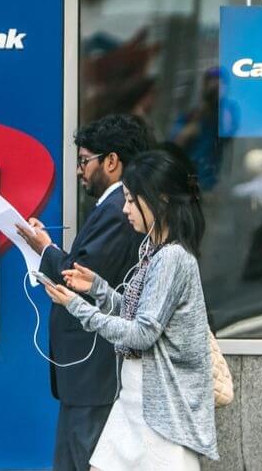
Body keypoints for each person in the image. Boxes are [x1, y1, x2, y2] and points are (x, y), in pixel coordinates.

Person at [42, 149, 219, 469]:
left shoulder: (170, 258)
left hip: (157, 412)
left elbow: (142, 332)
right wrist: (98, 288)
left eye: (130, 199)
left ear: (158, 200)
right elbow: (140, 314)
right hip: (140, 403)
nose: (125, 209)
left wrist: (77, 307)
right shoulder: (155, 251)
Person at [16, 114, 151, 471]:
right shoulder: (114, 207)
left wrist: (44, 248)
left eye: (83, 161)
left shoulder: (115, 209)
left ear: (111, 161)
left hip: (94, 367)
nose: (79, 170)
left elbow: (83, 276)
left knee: (82, 457)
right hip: (90, 366)